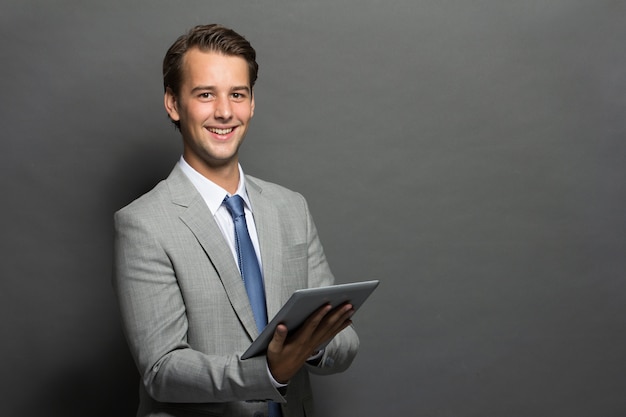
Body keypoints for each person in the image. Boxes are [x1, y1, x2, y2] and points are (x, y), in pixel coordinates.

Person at [113, 24, 359, 417]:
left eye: (237, 94)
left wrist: (310, 342)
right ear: (174, 104)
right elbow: (162, 370)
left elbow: (344, 342)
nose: (225, 111)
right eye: (205, 94)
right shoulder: (143, 224)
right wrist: (268, 370)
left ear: (252, 103)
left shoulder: (290, 207)